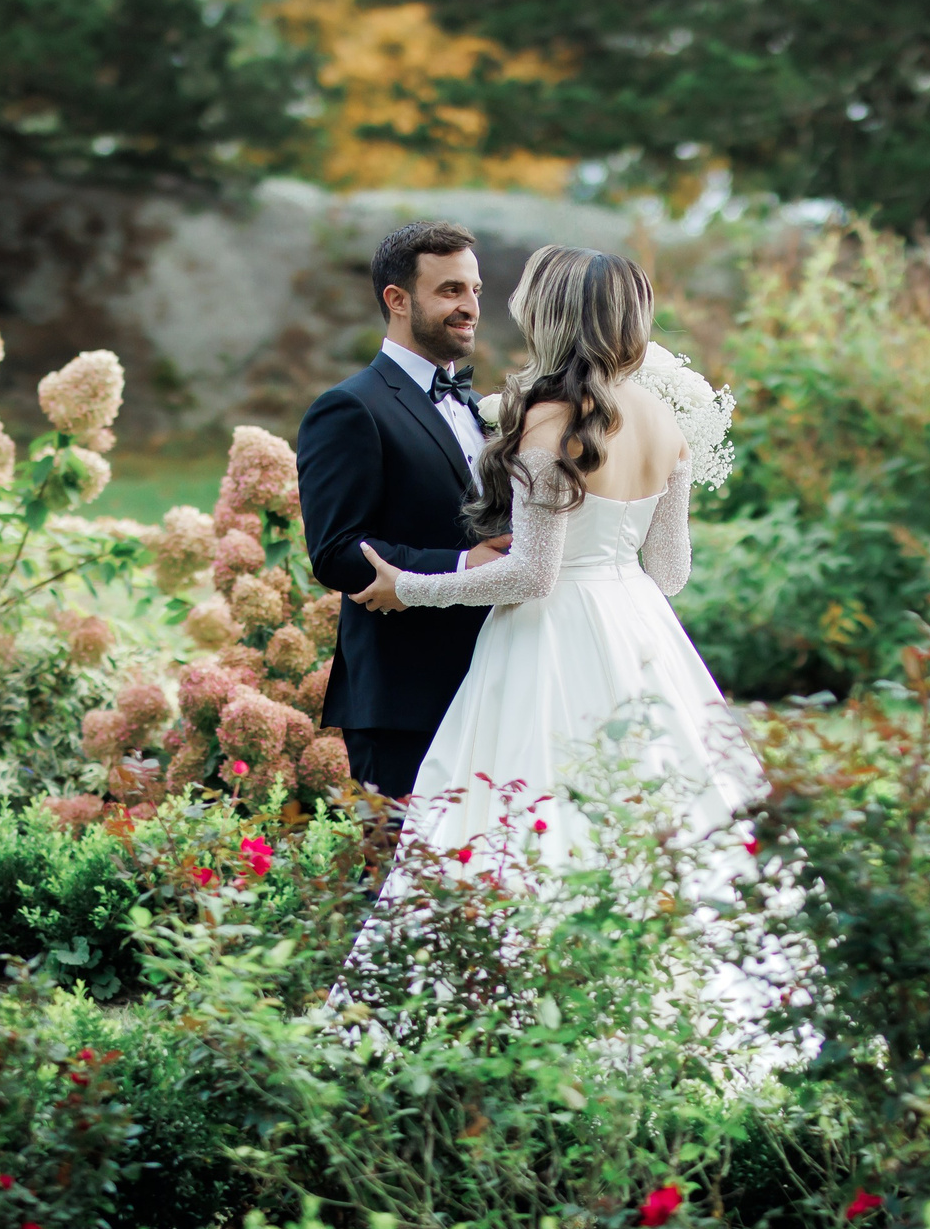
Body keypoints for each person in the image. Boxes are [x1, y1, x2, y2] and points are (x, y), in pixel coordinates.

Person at [347, 244, 756, 870]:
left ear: (550, 316)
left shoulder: (550, 423)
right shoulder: (665, 422)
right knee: (651, 808)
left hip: (550, 637)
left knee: (526, 804)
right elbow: (671, 573)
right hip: (640, 632)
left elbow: (534, 576)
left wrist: (409, 586)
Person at [294, 221, 511, 800]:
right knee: (395, 881)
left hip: (493, 678)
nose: (470, 307)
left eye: (475, 291)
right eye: (450, 291)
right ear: (397, 299)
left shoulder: (477, 402)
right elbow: (337, 553)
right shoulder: (348, 409)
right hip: (403, 696)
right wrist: (463, 565)